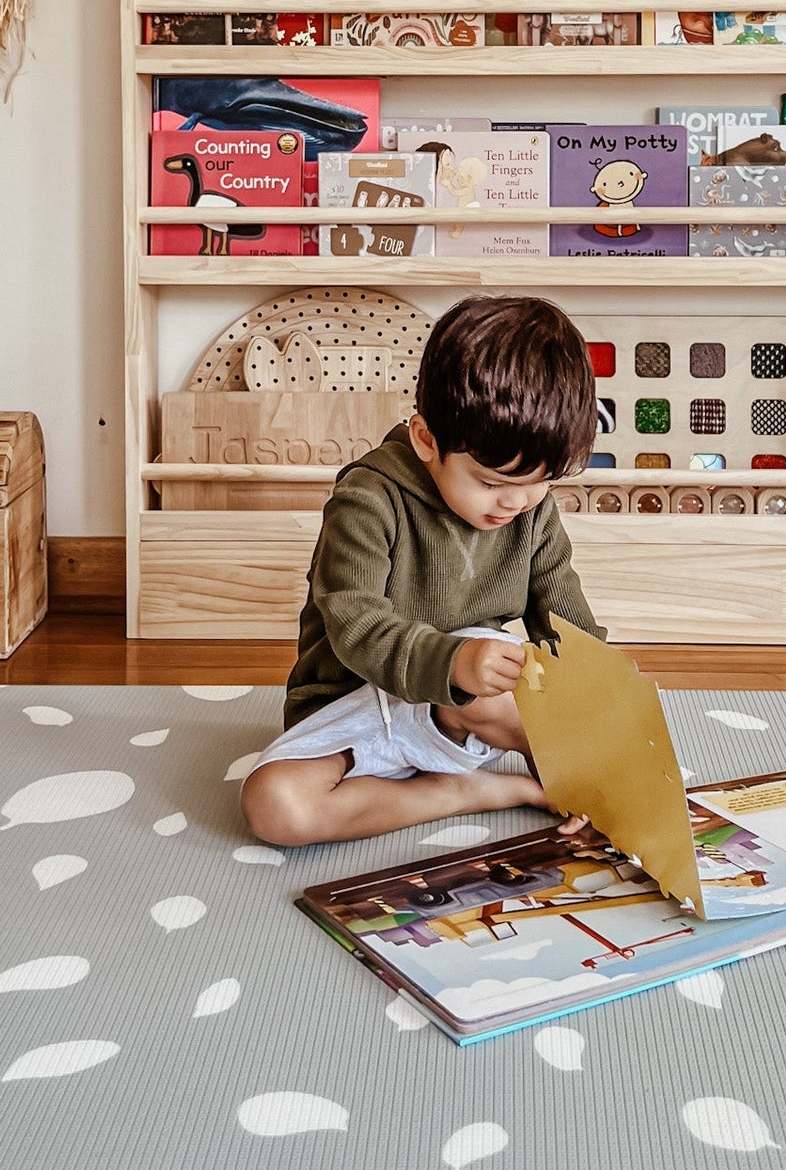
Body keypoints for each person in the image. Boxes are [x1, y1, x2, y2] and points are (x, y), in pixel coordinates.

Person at [241, 295, 604, 846]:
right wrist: (453, 662)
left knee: (524, 689)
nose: (517, 502)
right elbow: (356, 625)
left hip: (461, 707)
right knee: (275, 808)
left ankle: (566, 771)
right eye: (492, 482)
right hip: (358, 702)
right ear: (426, 439)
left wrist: (598, 682)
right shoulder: (367, 498)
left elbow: (562, 610)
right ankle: (467, 791)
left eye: (541, 481)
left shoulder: (529, 507)